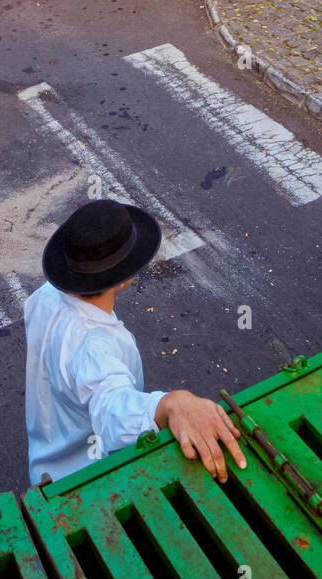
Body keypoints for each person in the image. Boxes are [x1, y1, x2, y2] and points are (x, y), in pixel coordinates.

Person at [24, 199, 246, 487]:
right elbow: (111, 408)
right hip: (87, 482)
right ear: (121, 277)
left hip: (46, 460)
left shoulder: (44, 296)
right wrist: (171, 403)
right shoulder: (93, 346)